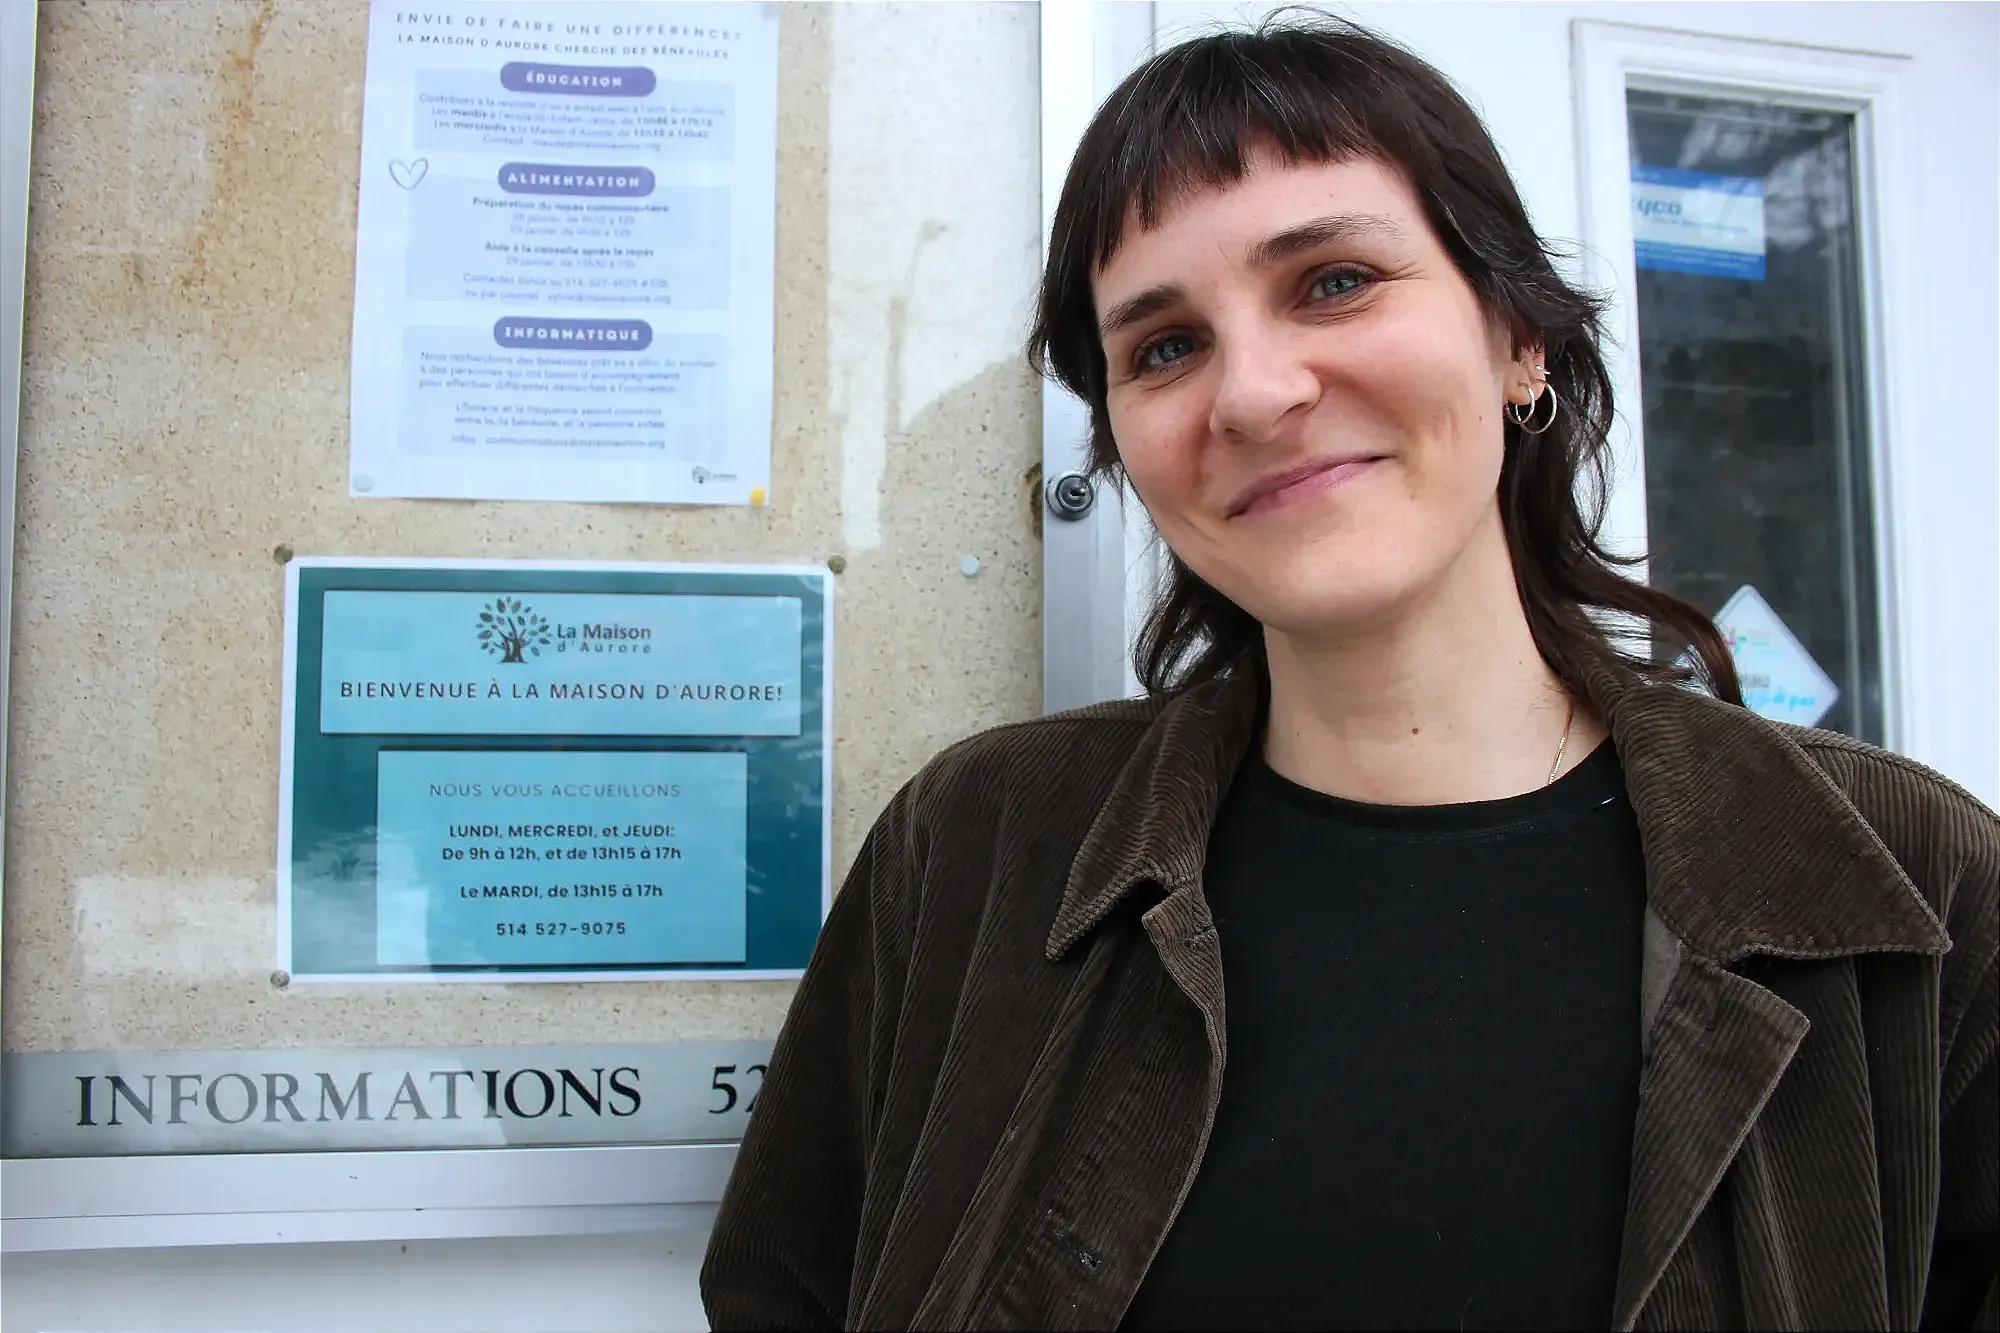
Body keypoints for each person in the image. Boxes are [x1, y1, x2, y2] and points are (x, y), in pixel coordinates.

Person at [702, 15, 1996, 1331]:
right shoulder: (976, 853)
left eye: (1333, 282)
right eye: (1163, 348)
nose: (1254, 395)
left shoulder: (1917, 892)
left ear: (1518, 341)